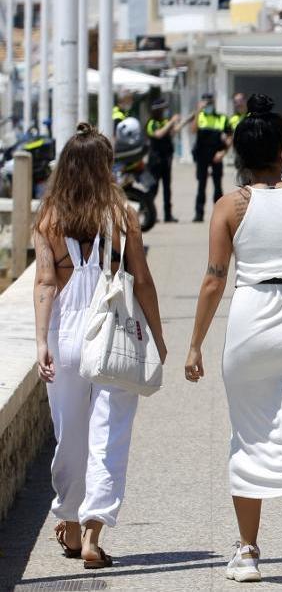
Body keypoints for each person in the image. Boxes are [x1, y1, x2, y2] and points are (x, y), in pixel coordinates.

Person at [182, 95, 282, 589]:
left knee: (249, 434)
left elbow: (213, 280)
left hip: (251, 320)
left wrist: (195, 344)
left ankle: (247, 552)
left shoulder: (229, 206)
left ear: (240, 157)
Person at [33, 123, 168, 569]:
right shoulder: (123, 214)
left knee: (69, 433)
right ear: (105, 166)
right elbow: (142, 280)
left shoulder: (49, 216)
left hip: (66, 330)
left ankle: (69, 523)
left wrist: (40, 342)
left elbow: (45, 284)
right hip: (112, 329)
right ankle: (92, 532)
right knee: (111, 431)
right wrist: (158, 336)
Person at [189, 93, 234, 223]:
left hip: (216, 155)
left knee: (218, 186)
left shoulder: (222, 118)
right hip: (202, 156)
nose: (208, 105)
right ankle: (199, 214)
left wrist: (223, 153)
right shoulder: (199, 117)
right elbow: (192, 130)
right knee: (201, 185)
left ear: (214, 103)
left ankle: (220, 215)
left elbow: (230, 136)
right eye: (205, 103)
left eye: (210, 103)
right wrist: (197, 111)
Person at [146, 99, 181, 223]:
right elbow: (159, 134)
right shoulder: (151, 123)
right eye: (162, 109)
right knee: (152, 188)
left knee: (167, 188)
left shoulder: (165, 122)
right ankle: (148, 212)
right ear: (157, 111)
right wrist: (171, 122)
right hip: (155, 161)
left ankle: (168, 215)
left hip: (166, 160)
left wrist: (183, 121)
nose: (164, 111)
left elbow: (172, 132)